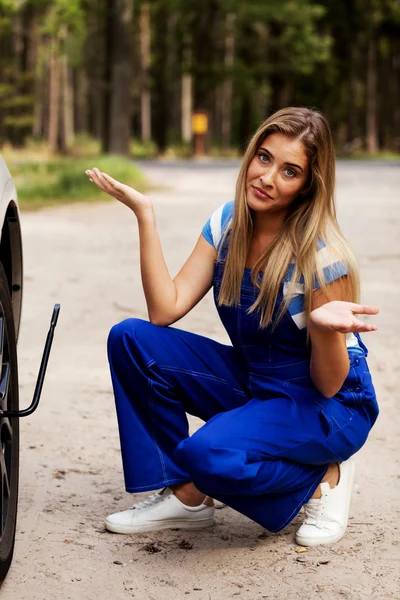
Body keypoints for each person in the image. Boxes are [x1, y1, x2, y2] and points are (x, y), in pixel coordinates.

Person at [85, 107, 379, 547]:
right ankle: (188, 500)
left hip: (328, 403)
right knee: (132, 340)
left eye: (289, 171)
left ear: (307, 186)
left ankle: (323, 477)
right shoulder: (227, 223)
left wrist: (322, 328)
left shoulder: (322, 257)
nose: (267, 177)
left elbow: (330, 382)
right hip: (258, 379)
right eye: (264, 158)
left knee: (207, 454)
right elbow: (165, 310)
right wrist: (145, 214)